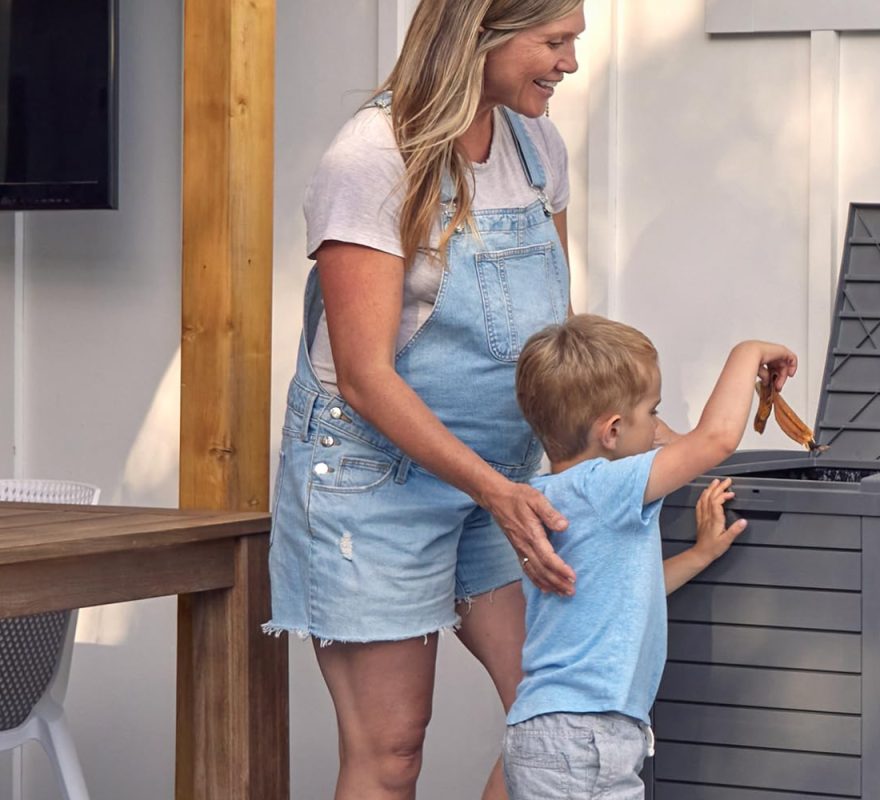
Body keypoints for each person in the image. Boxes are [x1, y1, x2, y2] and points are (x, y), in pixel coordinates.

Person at [264, 2, 644, 797]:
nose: (569, 63)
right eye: (553, 41)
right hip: (374, 481)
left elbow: (557, 350)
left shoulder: (536, 146)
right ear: (481, 34)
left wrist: (679, 441)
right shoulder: (372, 159)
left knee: (563, 717)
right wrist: (496, 491)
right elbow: (367, 378)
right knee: (392, 749)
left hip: (500, 478)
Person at [502, 314, 797, 799]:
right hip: (583, 740)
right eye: (653, 412)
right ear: (613, 431)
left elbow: (623, 593)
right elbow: (716, 439)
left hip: (567, 736)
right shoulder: (604, 488)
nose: (660, 427)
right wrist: (748, 351)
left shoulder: (562, 492)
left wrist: (700, 555)